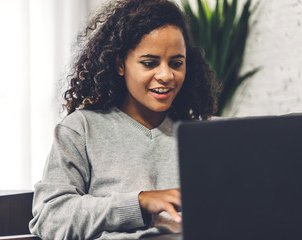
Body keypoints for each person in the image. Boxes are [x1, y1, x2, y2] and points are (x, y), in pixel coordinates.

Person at [29, 0, 218, 239]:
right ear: (120, 65)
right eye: (149, 63)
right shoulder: (81, 130)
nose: (166, 75)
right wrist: (139, 203)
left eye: (176, 63)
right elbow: (50, 218)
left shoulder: (205, 134)